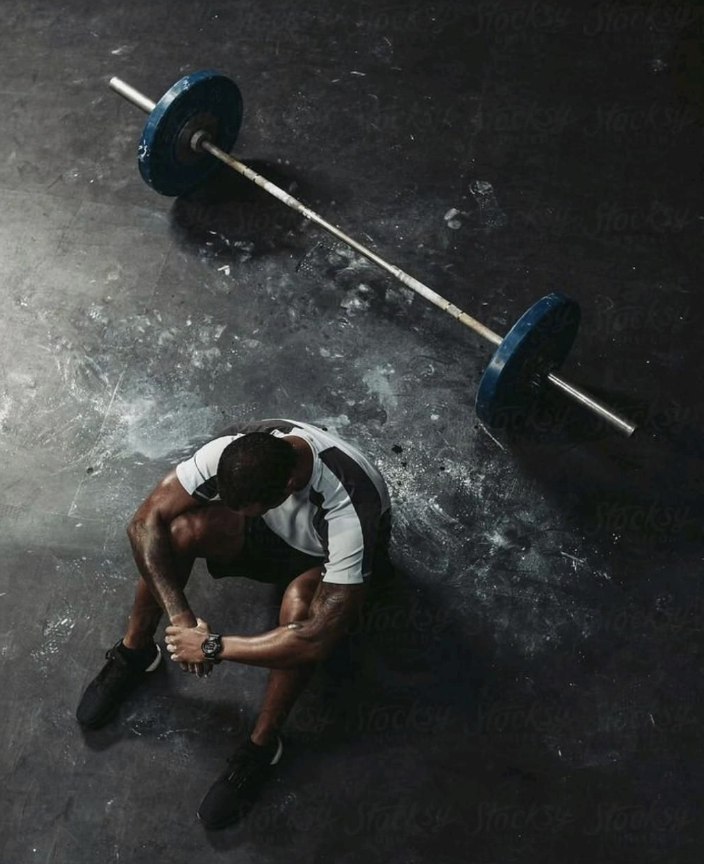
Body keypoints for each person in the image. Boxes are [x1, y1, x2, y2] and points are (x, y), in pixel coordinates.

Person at [76, 418, 392, 829]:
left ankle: (262, 746)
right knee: (179, 529)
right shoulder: (236, 450)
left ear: (288, 487)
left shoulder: (351, 504)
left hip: (327, 561)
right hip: (275, 532)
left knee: (298, 610)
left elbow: (316, 639)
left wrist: (211, 647)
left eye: (247, 508)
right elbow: (143, 522)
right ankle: (135, 652)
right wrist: (181, 617)